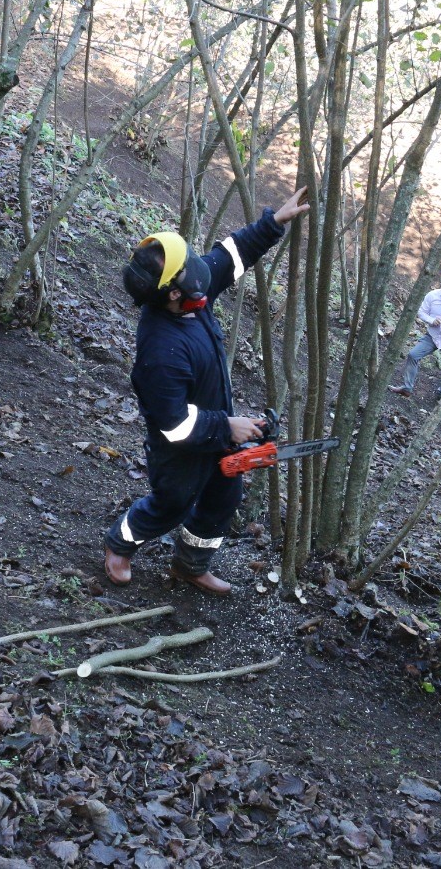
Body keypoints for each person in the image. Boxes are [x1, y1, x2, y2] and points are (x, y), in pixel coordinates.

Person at [103, 187, 312, 595]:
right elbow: (173, 424)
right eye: (188, 273)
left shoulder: (190, 293)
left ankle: (190, 564)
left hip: (216, 431)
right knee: (171, 504)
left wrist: (273, 223)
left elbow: (230, 255)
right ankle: (120, 542)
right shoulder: (160, 350)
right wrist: (226, 426)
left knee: (223, 499)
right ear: (172, 292)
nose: (200, 274)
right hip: (179, 450)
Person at [389, 275, 441, 397]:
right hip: (433, 336)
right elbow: (421, 312)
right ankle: (407, 388)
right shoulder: (432, 296)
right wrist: (432, 320)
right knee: (413, 355)